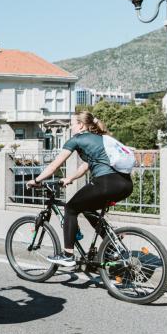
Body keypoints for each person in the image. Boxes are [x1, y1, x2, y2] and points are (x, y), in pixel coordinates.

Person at [27, 110, 134, 267]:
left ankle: (67, 255)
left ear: (81, 125)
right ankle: (112, 243)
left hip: (105, 183)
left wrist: (36, 180)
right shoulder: (101, 139)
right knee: (86, 207)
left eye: (72, 124)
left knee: (70, 208)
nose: (71, 127)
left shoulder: (76, 139)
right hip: (125, 184)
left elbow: (54, 165)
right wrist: (70, 178)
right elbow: (86, 165)